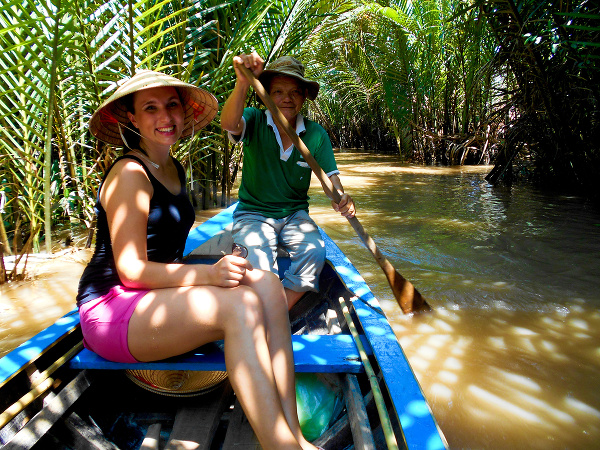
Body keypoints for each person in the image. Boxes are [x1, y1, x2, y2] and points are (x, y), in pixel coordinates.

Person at [78, 70, 320, 450]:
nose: (165, 117)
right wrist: (208, 276)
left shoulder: (171, 168)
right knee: (239, 306)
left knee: (269, 283)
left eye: (172, 105)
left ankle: (293, 431)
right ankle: (281, 446)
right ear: (132, 118)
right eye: (151, 108)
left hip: (154, 297)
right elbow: (131, 271)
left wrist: (220, 267)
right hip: (113, 309)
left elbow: (164, 251)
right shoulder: (130, 174)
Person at [221, 53, 356, 309]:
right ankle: (270, 309)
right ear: (268, 95)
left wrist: (341, 197)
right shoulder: (255, 119)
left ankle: (278, 308)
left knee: (315, 252)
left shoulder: (315, 134)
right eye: (279, 91)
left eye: (294, 92)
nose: (286, 98)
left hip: (295, 215)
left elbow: (331, 178)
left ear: (304, 96)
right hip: (253, 213)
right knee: (257, 268)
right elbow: (228, 123)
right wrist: (242, 83)